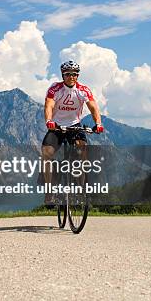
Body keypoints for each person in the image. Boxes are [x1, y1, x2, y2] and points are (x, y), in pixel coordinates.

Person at [41, 60, 104, 202]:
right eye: (68, 74)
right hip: (56, 127)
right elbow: (49, 106)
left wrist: (98, 123)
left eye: (75, 74)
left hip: (75, 125)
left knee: (82, 151)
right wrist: (49, 121)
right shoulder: (55, 88)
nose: (72, 77)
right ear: (63, 75)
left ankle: (81, 189)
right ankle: (49, 190)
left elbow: (93, 107)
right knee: (47, 152)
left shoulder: (83, 90)